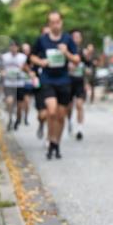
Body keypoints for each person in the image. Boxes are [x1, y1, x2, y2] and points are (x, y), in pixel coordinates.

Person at [30, 12, 79, 160]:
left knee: (60, 116)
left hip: (63, 81)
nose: (55, 25)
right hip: (47, 80)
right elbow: (32, 56)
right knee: (51, 112)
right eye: (52, 22)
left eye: (57, 22)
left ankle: (56, 143)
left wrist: (67, 53)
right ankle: (51, 139)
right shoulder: (42, 40)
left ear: (61, 23)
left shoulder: (67, 39)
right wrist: (41, 62)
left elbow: (76, 60)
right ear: (49, 24)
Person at [0, 40, 27, 130]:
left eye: (15, 46)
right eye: (11, 46)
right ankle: (10, 118)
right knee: (9, 102)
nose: (13, 48)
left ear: (18, 48)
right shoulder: (5, 57)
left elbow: (26, 68)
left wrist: (23, 69)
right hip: (9, 83)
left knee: (19, 107)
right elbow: (1, 68)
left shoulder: (23, 57)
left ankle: (18, 120)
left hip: (19, 84)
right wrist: (2, 73)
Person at [68, 30, 89, 140]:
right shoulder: (67, 51)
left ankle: (80, 129)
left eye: (78, 37)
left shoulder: (83, 53)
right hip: (68, 82)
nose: (76, 39)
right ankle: (69, 121)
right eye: (74, 37)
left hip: (80, 83)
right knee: (69, 106)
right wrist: (68, 68)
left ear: (80, 39)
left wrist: (87, 81)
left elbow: (88, 68)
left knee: (79, 105)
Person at [20, 42, 34, 126]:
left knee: (27, 101)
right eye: (24, 50)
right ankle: (19, 116)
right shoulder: (18, 59)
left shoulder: (33, 59)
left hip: (28, 83)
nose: (26, 51)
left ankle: (25, 117)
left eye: (27, 50)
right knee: (20, 103)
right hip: (19, 83)